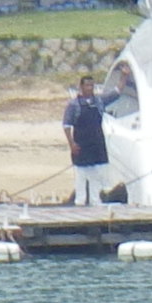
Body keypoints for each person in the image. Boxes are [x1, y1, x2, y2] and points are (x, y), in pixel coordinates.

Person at [61, 73, 111, 205]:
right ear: (81, 87)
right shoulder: (73, 105)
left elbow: (117, 93)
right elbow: (66, 125)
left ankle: (95, 200)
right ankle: (80, 201)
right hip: (81, 143)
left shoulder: (99, 102)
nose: (90, 88)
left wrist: (124, 76)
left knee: (95, 173)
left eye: (92, 85)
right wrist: (71, 143)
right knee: (80, 173)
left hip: (96, 142)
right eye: (87, 85)